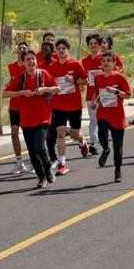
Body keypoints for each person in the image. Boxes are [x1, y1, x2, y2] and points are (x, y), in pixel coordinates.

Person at [3, 51, 60, 189]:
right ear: (23, 63)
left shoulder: (43, 74)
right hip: (26, 119)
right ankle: (41, 178)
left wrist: (44, 89)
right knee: (32, 151)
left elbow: (57, 88)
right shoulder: (19, 78)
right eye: (28, 59)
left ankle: (48, 170)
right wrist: (22, 92)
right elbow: (5, 93)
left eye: (33, 59)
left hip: (43, 118)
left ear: (36, 61)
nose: (31, 62)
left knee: (40, 147)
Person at [44, 39, 89, 175]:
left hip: (74, 104)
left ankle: (82, 141)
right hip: (58, 105)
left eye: (64, 48)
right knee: (61, 133)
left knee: (75, 134)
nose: (61, 51)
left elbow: (86, 80)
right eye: (59, 49)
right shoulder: (51, 67)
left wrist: (74, 80)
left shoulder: (75, 64)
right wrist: (50, 92)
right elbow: (49, 85)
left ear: (67, 50)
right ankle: (62, 163)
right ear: (55, 52)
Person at [92, 53, 132, 182]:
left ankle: (117, 170)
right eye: (104, 61)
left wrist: (116, 91)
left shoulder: (119, 77)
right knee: (102, 133)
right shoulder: (98, 78)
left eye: (109, 61)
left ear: (114, 63)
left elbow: (127, 95)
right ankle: (105, 149)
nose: (106, 63)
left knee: (118, 146)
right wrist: (94, 102)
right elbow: (97, 94)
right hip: (103, 113)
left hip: (117, 115)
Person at [6, 43, 32, 174]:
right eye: (19, 47)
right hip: (15, 105)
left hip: (28, 106)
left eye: (24, 47)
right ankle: (19, 162)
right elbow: (11, 83)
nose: (21, 49)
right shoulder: (11, 66)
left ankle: (34, 161)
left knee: (29, 134)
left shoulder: (31, 66)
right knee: (14, 132)